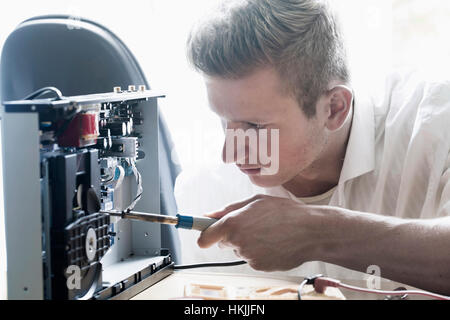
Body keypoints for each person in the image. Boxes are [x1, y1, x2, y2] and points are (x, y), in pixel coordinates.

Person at [185, 0, 450, 294]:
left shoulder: (435, 128)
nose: (230, 154)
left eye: (256, 127)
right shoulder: (204, 188)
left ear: (334, 108)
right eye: (223, 120)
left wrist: (316, 232)